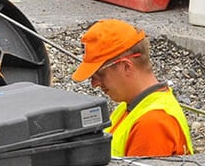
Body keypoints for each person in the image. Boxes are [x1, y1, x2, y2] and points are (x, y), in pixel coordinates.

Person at [72, 19, 193, 158]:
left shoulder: (152, 123)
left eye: (99, 74)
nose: (94, 84)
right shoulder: (129, 106)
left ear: (126, 66)